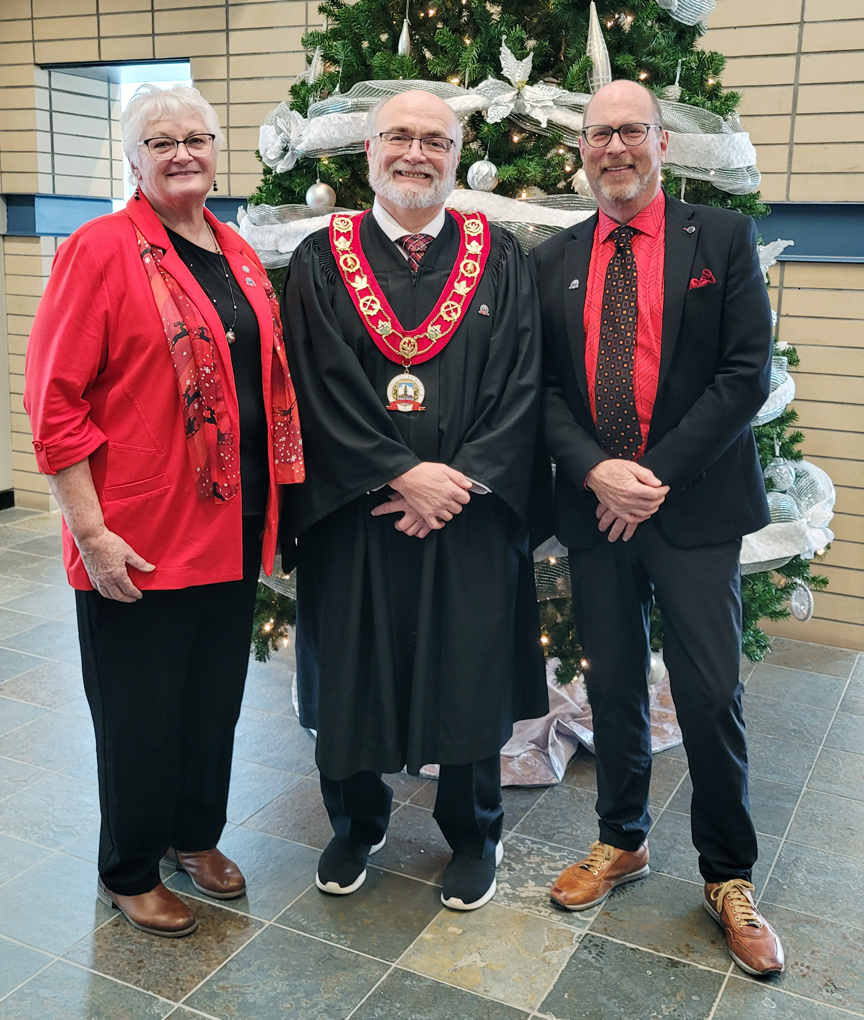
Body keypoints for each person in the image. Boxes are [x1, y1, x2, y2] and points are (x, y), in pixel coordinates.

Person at [24, 84, 304, 938]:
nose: (181, 153)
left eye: (195, 138)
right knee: (138, 713)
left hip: (230, 524)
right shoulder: (100, 250)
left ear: (217, 150)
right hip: (136, 535)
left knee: (211, 701)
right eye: (160, 141)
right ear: (133, 158)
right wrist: (90, 532)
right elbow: (54, 404)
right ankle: (130, 865)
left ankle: (194, 835)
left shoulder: (234, 248)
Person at [531, 80, 784, 975]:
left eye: (630, 131)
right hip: (596, 512)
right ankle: (623, 840)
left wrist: (652, 477)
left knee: (710, 694)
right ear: (583, 150)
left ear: (661, 143)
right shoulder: (552, 257)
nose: (614, 149)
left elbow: (744, 373)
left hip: (693, 509)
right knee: (613, 692)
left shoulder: (720, 238)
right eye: (598, 134)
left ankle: (728, 876)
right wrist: (598, 472)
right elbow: (545, 391)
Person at [280, 89, 547, 912]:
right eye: (399, 135)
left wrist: (454, 483)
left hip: (467, 514)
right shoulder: (322, 258)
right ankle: (356, 824)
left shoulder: (499, 254)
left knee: (469, 667)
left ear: (456, 153)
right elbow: (314, 387)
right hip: (358, 514)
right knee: (353, 671)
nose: (416, 153)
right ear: (368, 149)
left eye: (435, 139)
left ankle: (474, 832)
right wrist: (401, 473)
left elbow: (522, 384)